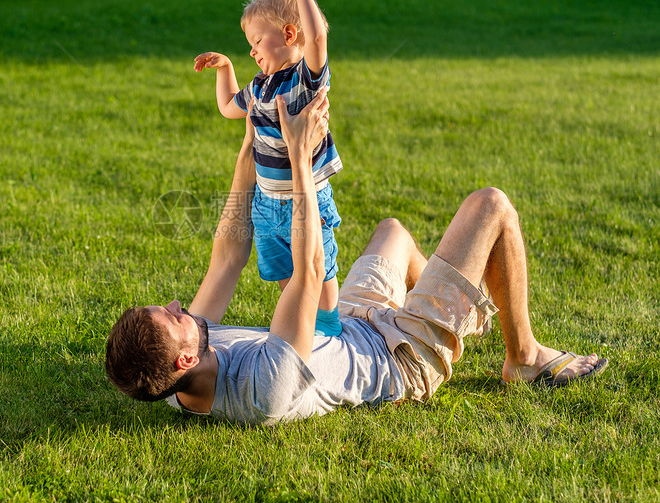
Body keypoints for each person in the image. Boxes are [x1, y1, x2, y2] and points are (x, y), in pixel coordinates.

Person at [105, 91, 609, 425]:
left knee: (391, 232)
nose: (178, 304)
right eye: (172, 316)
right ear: (186, 358)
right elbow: (310, 269)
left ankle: (452, 308)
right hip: (398, 358)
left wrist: (254, 144)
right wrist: (299, 160)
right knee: (491, 205)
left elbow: (227, 258)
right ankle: (522, 358)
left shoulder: (175, 380)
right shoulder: (265, 388)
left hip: (346, 323)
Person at [193, 0, 344, 337]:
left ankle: (327, 323)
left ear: (289, 34)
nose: (252, 50)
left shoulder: (304, 81)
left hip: (304, 199)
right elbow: (229, 105)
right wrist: (225, 68)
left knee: (317, 266)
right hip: (266, 203)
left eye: (257, 40)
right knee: (285, 271)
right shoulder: (259, 87)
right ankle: (299, 319)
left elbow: (319, 38)